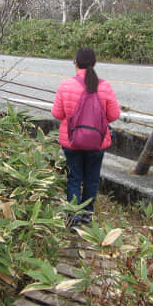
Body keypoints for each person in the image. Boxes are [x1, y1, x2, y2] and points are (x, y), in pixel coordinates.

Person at [51, 47, 121, 226]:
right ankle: (87, 216)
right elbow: (113, 115)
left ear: (76, 63)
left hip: (72, 141)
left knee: (74, 177)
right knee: (91, 178)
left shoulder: (66, 85)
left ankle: (73, 218)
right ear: (95, 64)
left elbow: (57, 114)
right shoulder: (104, 86)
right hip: (97, 142)